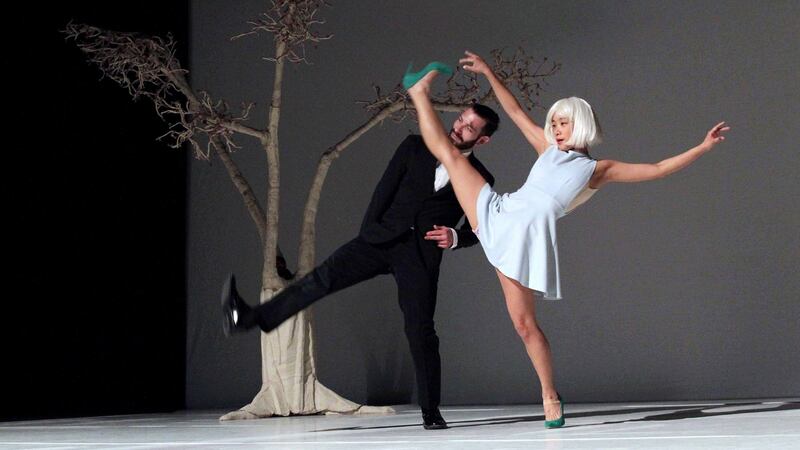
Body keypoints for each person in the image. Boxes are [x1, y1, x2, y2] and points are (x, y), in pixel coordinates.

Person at [402, 52, 730, 428]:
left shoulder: (597, 170)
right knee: (449, 153)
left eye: (564, 123)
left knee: (524, 326)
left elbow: (656, 169)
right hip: (497, 212)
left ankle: (549, 394)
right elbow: (513, 110)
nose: (556, 129)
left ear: (582, 125)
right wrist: (489, 72)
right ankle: (419, 91)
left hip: (525, 241)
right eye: (554, 123)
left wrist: (702, 147)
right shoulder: (547, 148)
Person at [221, 104, 499, 429]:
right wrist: (369, 232)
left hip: (419, 255)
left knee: (420, 330)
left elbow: (485, 228)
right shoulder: (414, 145)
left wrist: (456, 237)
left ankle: (431, 412)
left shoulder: (481, 177)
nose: (459, 127)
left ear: (482, 141)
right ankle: (247, 317)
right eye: (461, 119)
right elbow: (383, 190)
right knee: (321, 279)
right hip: (379, 240)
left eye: (469, 127)